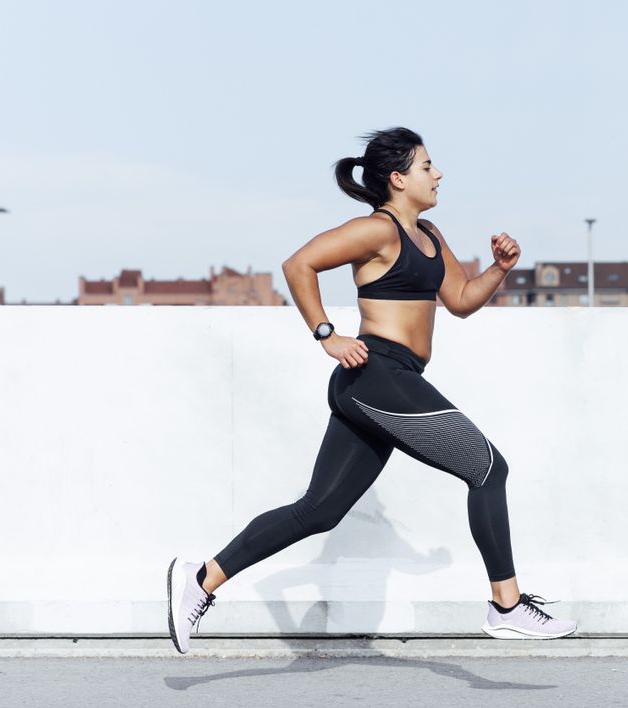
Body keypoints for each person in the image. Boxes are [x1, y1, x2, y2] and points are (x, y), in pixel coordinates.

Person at [167, 127, 576, 653]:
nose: (439, 173)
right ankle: (507, 605)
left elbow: (461, 299)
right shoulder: (377, 231)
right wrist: (326, 335)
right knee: (488, 468)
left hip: (386, 382)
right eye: (428, 166)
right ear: (399, 178)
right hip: (376, 374)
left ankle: (200, 580)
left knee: (318, 511)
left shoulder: (429, 235)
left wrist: (498, 269)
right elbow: (298, 265)